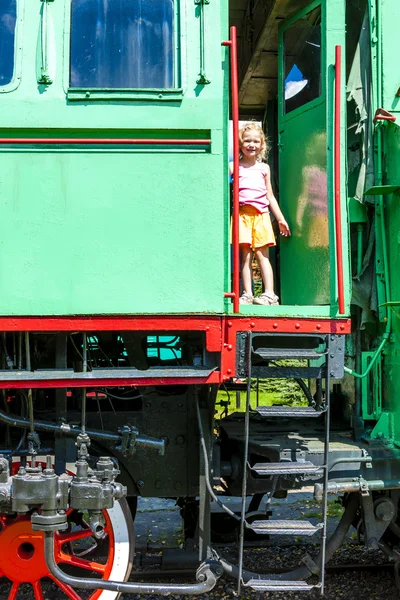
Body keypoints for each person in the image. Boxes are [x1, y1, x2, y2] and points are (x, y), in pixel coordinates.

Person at [231, 122, 291, 305]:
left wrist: (280, 219)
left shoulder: (264, 168)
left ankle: (270, 294)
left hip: (261, 215)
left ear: (261, 145)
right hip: (242, 215)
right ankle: (247, 294)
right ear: (240, 143)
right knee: (245, 257)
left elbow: (270, 196)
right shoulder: (234, 166)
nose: (251, 144)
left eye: (256, 141)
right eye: (247, 140)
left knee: (262, 255)